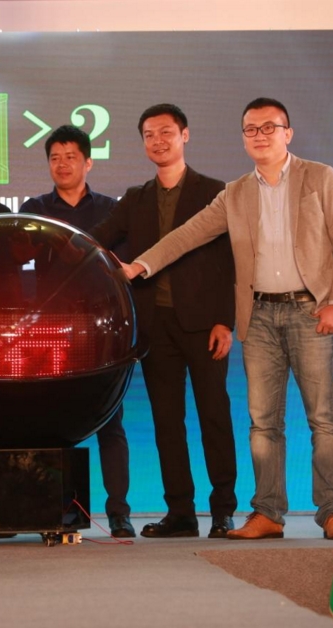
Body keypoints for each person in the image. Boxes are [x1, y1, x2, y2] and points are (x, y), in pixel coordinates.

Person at [123, 97, 333, 541]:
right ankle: (268, 513)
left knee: (324, 419)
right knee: (263, 423)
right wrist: (140, 266)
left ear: (288, 133)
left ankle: (332, 511)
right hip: (260, 316)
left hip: (311, 311)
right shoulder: (235, 194)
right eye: (251, 129)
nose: (260, 135)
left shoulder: (319, 177)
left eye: (270, 127)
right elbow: (187, 235)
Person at [91, 104, 238, 539]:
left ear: (184, 135)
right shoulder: (135, 198)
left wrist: (225, 321)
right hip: (156, 326)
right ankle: (181, 513)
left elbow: (230, 262)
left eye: (166, 132)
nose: (158, 141)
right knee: (167, 422)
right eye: (149, 135)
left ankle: (224, 510)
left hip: (204, 324)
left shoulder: (215, 192)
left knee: (214, 415)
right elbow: (97, 239)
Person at [19, 125, 135, 538]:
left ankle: (119, 513)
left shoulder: (111, 210)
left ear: (88, 162)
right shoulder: (34, 210)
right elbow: (18, 264)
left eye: (71, 157)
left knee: (110, 422)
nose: (62, 164)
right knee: (51, 422)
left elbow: (122, 268)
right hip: (49, 332)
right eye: (55, 157)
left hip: (99, 331)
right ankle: (55, 513)